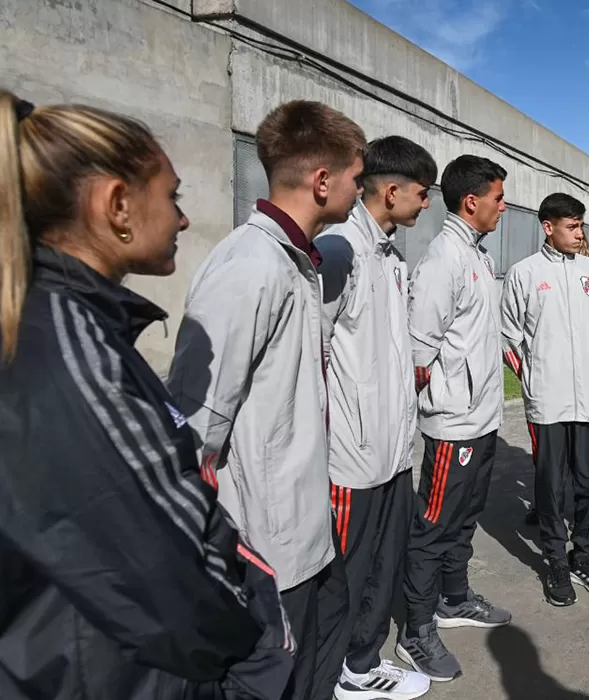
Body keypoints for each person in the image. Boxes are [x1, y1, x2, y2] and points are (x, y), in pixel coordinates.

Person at [0, 93, 293, 699]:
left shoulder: (61, 323)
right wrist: (261, 655)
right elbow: (169, 558)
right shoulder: (70, 347)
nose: (183, 219)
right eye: (173, 196)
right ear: (117, 206)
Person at [168, 100, 365, 700]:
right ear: (322, 180)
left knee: (317, 669)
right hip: (265, 545)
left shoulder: (296, 263)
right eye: (357, 179)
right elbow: (195, 422)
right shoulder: (250, 266)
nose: (361, 192)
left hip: (304, 530)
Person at [315, 136, 435, 700]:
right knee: (344, 576)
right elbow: (307, 346)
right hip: (352, 457)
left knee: (382, 568)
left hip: (392, 453)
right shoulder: (339, 250)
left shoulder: (390, 254)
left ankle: (360, 669)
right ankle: (331, 673)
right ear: (391, 191)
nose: (425, 204)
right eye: (421, 193)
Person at [397, 154, 511, 683]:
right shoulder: (443, 259)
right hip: (452, 427)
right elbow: (419, 355)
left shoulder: (478, 256)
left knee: (463, 519)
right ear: (472, 201)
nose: (503, 207)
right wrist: (438, 405)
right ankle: (416, 630)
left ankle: (455, 599)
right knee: (433, 527)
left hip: (482, 417)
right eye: (498, 198)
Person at [501, 193, 589, 607]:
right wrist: (533, 378)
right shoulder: (524, 273)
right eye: (572, 226)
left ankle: (582, 553)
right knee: (551, 486)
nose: (579, 233)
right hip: (547, 401)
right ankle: (555, 560)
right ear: (548, 227)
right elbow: (510, 335)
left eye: (581, 225)